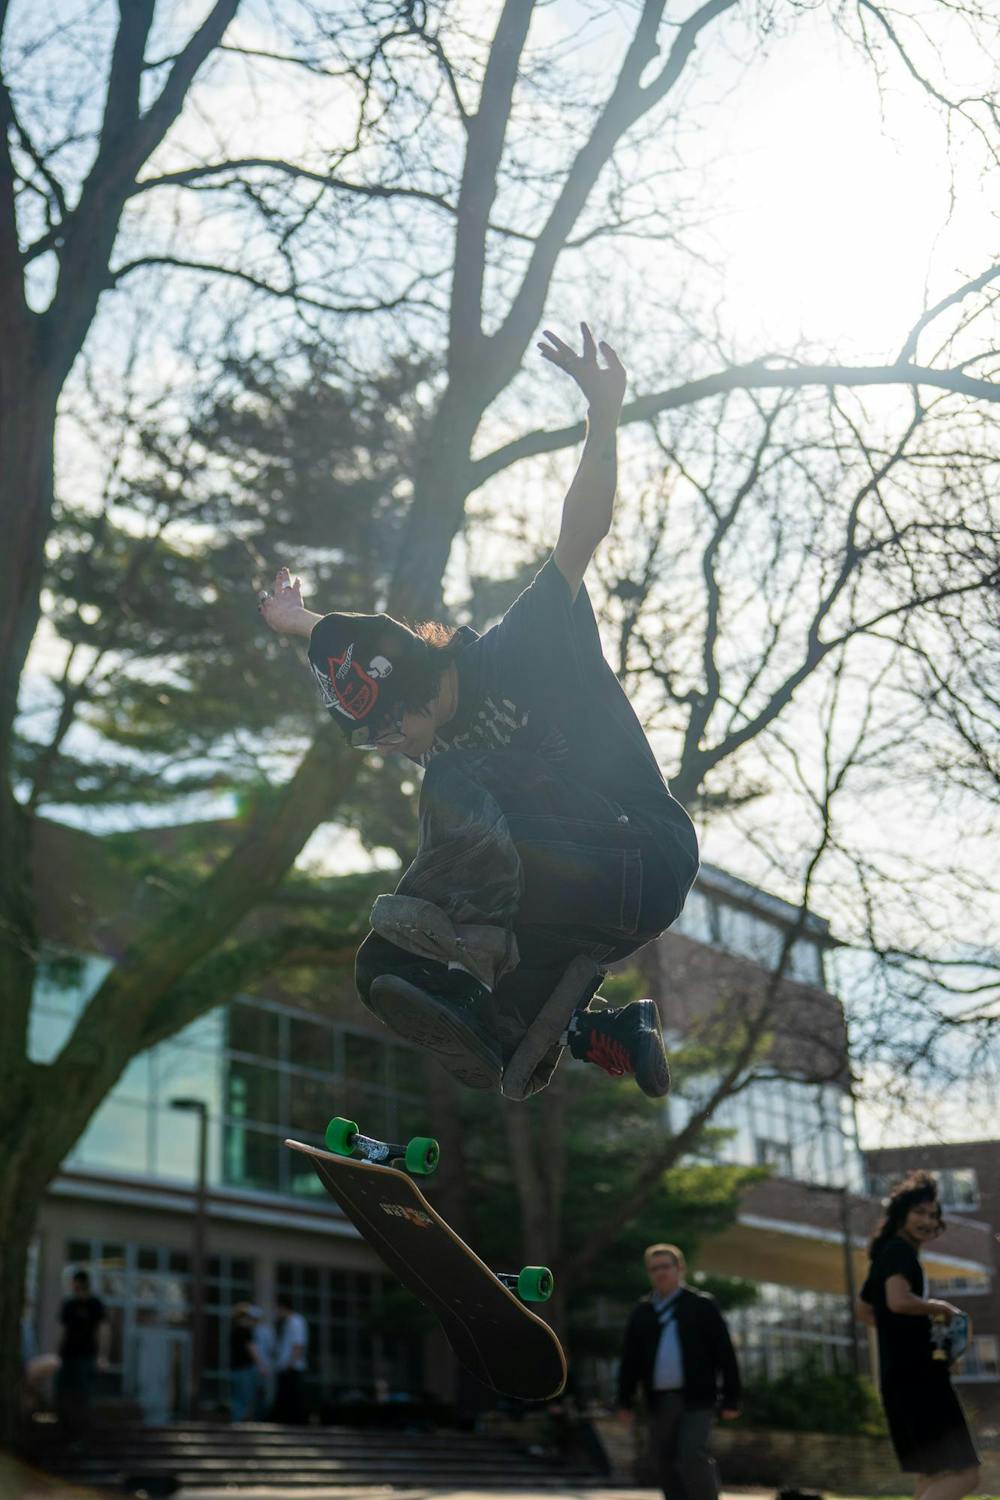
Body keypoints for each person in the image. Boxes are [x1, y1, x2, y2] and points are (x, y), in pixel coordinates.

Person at [258, 325, 699, 1099]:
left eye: (395, 731)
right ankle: (592, 1028)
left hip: (643, 852)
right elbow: (364, 649)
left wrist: (604, 415)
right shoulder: (427, 726)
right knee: (385, 965)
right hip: (578, 890)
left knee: (462, 785)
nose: (397, 749)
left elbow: (580, 535)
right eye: (377, 744)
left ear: (422, 685)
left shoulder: (519, 647)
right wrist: (300, 623)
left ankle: (480, 955)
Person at [857, 1171, 980, 1500]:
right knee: (967, 1476)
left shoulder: (885, 1253)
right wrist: (942, 1309)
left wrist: (902, 1337)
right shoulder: (900, 1253)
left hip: (899, 1378)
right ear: (901, 1214)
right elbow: (898, 1301)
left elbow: (865, 1309)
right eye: (919, 1213)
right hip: (920, 1378)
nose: (927, 1221)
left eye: (932, 1215)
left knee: (932, 1474)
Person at [616, 1243, 740, 1500]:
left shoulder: (701, 1305)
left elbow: (725, 1354)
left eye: (665, 1266)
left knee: (691, 1454)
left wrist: (732, 1398)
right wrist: (624, 1400)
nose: (660, 1273)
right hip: (660, 1400)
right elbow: (630, 1360)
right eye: (654, 1268)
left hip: (697, 1398)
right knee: (665, 1459)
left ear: (679, 1268)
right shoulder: (643, 1312)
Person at [55, 1269, 108, 1435]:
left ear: (81, 1283)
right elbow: (62, 1330)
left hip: (86, 1357)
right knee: (63, 1394)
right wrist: (57, 1353)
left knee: (83, 1398)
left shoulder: (95, 1304)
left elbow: (103, 1330)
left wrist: (102, 1355)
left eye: (74, 1282)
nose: (72, 1286)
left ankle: (81, 1436)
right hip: (68, 1356)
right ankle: (65, 1431)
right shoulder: (69, 1304)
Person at [229, 1303, 270, 1422]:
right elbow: (251, 1349)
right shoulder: (245, 1331)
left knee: (238, 1398)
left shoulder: (235, 1331)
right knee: (243, 1399)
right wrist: (262, 1366)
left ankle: (237, 1422)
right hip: (244, 1370)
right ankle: (238, 1424)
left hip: (236, 1369)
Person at [272, 1295, 309, 1424]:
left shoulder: (296, 1322)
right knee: (287, 1397)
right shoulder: (287, 1323)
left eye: (277, 1309)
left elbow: (298, 1345)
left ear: (283, 1308)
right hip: (286, 1366)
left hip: (292, 1367)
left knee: (292, 1397)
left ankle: (296, 1422)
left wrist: (290, 1364)